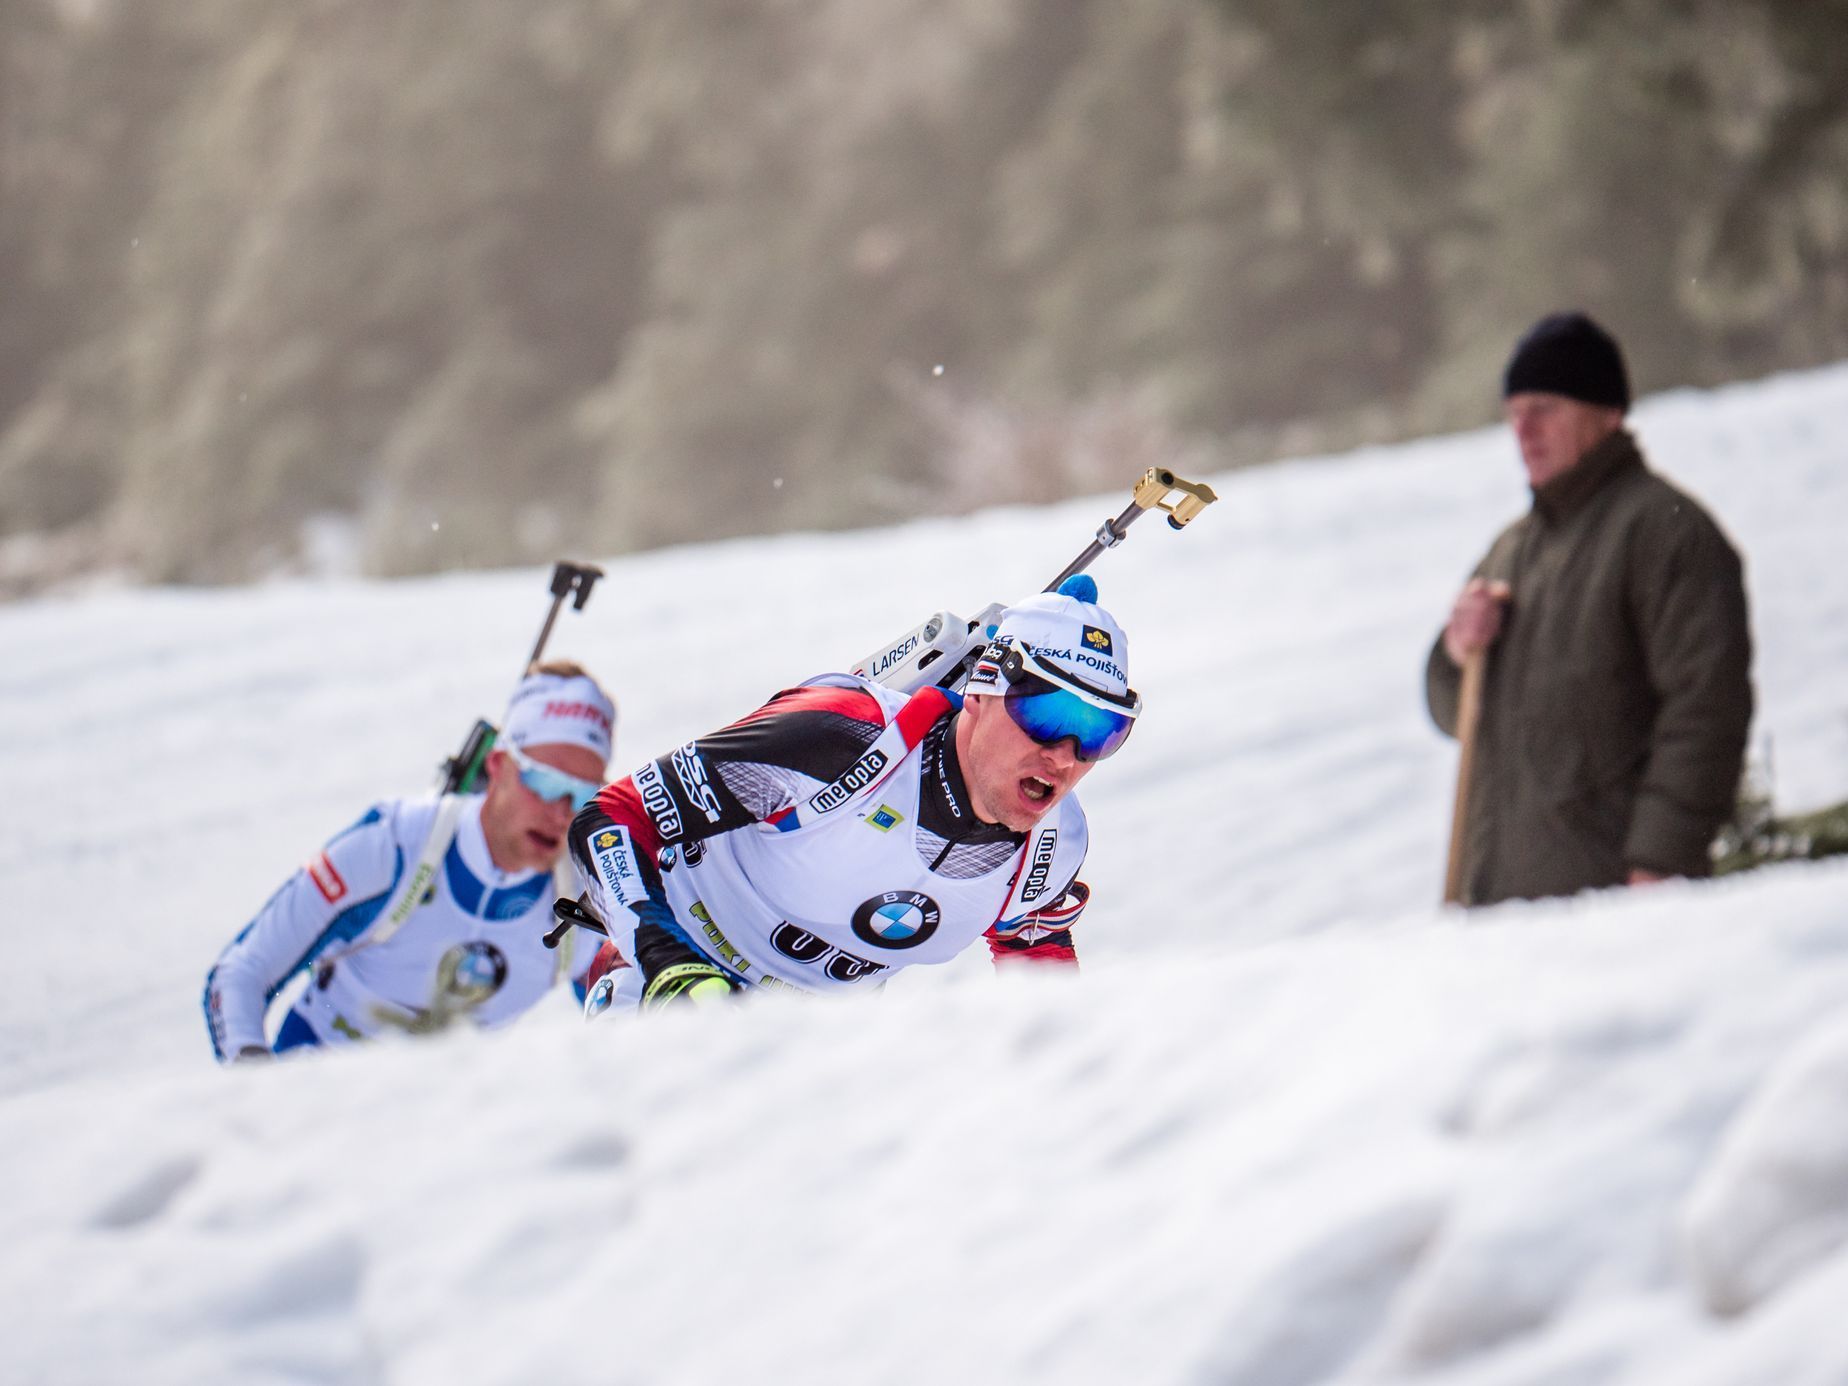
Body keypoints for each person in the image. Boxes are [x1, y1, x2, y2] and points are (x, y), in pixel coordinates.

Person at [566, 577, 1137, 1012]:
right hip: (671, 983)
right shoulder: (841, 734)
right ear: (982, 693)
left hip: (811, 1054)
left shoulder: (1053, 846)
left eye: (1100, 732)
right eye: (1047, 713)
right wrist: (665, 958)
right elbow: (609, 818)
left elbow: (1037, 968)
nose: (1065, 754)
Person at [1426, 311, 1754, 906]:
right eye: (1513, 414)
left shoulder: (1665, 534)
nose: (1523, 431)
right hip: (1501, 913)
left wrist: (1662, 861)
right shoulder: (1511, 552)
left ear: (1606, 412)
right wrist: (1455, 651)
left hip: (1613, 906)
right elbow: (1458, 715)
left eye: (1545, 408)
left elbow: (1706, 708)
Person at [203, 662, 618, 1061]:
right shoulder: (393, 846)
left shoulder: (588, 898)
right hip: (314, 1106)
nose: (562, 813)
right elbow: (242, 972)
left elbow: (629, 1026)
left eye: (585, 795)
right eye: (545, 782)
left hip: (437, 1119)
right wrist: (255, 1078)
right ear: (497, 766)